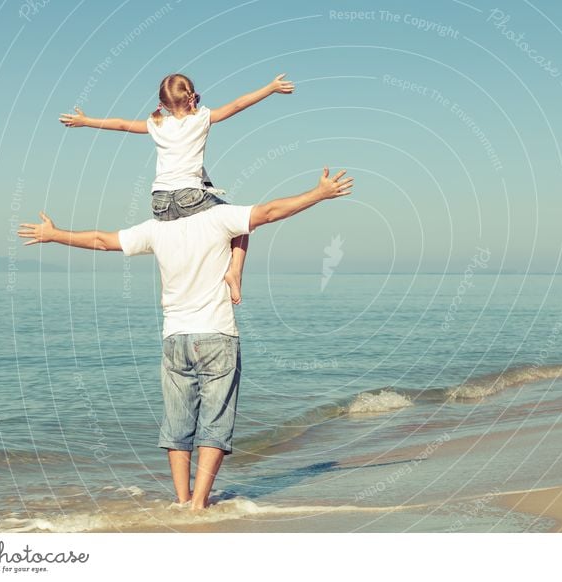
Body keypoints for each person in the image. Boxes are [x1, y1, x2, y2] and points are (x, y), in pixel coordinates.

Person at [18, 168, 353, 512]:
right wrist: (318, 194)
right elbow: (266, 214)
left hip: (175, 337)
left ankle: (181, 501)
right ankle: (199, 504)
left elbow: (103, 241)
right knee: (215, 423)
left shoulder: (156, 229)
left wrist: (55, 234)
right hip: (216, 334)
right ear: (205, 193)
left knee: (178, 424)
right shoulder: (221, 218)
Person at [59, 73, 294, 304]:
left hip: (160, 203)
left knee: (172, 240)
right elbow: (238, 104)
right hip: (188, 196)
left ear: (162, 105)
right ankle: (234, 272)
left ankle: (172, 288)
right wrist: (270, 88)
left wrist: (86, 121)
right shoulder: (201, 117)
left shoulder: (156, 123)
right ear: (192, 97)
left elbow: (121, 124)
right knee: (241, 223)